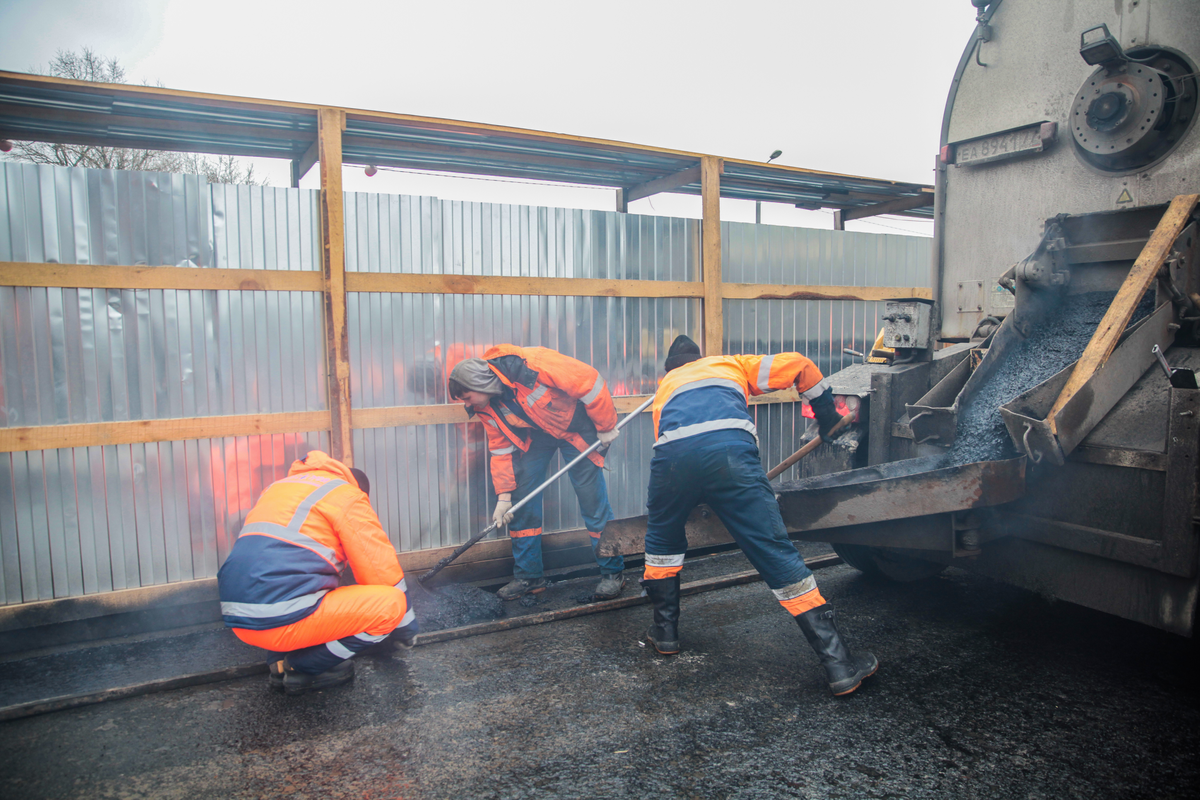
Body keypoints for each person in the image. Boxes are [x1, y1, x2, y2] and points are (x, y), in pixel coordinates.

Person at [640, 335, 878, 696]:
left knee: (662, 541)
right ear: (700, 358)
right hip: (731, 456)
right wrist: (829, 420)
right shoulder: (730, 364)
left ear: (671, 367)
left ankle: (665, 634)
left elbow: (677, 447)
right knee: (772, 550)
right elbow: (800, 365)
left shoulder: (666, 388)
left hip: (672, 460)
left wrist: (698, 492)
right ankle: (840, 666)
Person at [217, 450, 418, 695]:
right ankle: (304, 665)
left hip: (241, 622)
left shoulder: (278, 488)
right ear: (360, 491)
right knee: (391, 604)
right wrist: (405, 628)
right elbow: (380, 572)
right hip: (281, 621)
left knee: (307, 586)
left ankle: (278, 662)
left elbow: (273, 568)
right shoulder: (347, 495)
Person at [448, 344, 626, 602]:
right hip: (539, 435)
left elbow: (589, 381)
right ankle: (529, 577)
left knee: (592, 500)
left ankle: (613, 573)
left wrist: (606, 425)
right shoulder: (485, 407)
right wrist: (504, 497)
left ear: (480, 385)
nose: (466, 404)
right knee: (522, 499)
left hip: (577, 431)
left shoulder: (530, 364)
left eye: (466, 397)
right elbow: (500, 449)